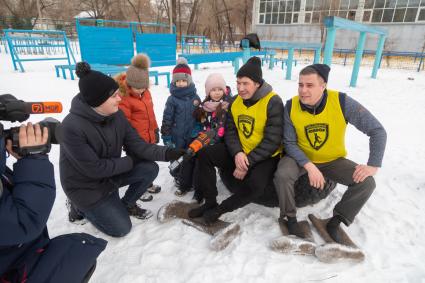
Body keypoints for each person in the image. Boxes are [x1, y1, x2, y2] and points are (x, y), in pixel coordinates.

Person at [60, 62, 184, 237]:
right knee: (121, 229)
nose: (120, 99)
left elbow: (138, 145)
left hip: (109, 176)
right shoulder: (71, 127)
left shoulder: (116, 115)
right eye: (114, 96)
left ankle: (126, 204)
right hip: (86, 188)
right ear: (98, 100)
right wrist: (130, 161)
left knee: (150, 168)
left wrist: (168, 153)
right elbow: (94, 169)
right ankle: (77, 207)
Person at [273, 64, 387, 242]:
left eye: (309, 85)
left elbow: (377, 130)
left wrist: (373, 165)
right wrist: (309, 166)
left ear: (323, 85)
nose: (303, 90)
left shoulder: (342, 102)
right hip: (300, 158)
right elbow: (289, 142)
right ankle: (290, 219)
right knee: (283, 174)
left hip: (332, 160)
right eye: (300, 84)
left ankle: (335, 221)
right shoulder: (291, 106)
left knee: (366, 183)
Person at [0, 98, 106, 282]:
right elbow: (22, 222)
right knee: (77, 255)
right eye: (112, 96)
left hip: (15, 252)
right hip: (12, 262)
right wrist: (33, 159)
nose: (118, 98)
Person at [188, 56, 284, 224]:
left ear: (257, 83)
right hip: (241, 151)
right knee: (204, 154)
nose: (240, 88)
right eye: (238, 83)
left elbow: (272, 140)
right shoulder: (235, 102)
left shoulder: (272, 102)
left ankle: (221, 209)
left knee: (256, 185)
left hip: (265, 156)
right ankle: (210, 202)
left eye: (245, 83)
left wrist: (247, 162)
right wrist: (238, 153)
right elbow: (230, 131)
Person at [115, 53, 161, 201]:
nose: (140, 90)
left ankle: (148, 183)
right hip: (135, 140)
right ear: (129, 84)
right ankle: (138, 187)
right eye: (137, 88)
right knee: (138, 165)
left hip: (148, 136)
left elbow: (151, 114)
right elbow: (125, 122)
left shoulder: (146, 94)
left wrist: (155, 130)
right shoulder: (125, 98)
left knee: (148, 162)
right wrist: (130, 140)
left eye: (143, 87)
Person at [179, 73, 232, 199]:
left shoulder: (226, 106)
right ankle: (191, 186)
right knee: (194, 158)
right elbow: (203, 122)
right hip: (206, 139)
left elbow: (221, 128)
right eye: (213, 90)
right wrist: (200, 131)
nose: (217, 92)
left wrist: (210, 139)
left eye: (220, 89)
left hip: (220, 142)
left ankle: (203, 191)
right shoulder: (205, 107)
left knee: (203, 159)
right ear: (208, 92)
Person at [161, 57, 201, 190]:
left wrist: (197, 128)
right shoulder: (172, 99)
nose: (181, 83)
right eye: (178, 81)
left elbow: (199, 117)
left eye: (184, 80)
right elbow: (167, 119)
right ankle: (177, 176)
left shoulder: (195, 98)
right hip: (176, 135)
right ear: (174, 81)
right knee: (177, 157)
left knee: (190, 157)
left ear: (189, 80)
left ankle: (190, 177)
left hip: (191, 135)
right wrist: (166, 136)